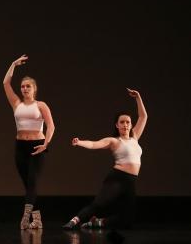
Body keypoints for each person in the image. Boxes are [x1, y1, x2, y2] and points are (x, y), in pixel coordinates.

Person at [63, 89, 147, 230]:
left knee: (129, 217)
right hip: (117, 178)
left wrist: (138, 97)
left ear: (131, 125)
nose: (125, 124)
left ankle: (99, 222)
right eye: (122, 122)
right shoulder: (114, 141)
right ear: (117, 125)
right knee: (98, 204)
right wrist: (80, 142)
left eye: (128, 122)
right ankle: (74, 221)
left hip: (130, 181)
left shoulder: (135, 138)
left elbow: (143, 117)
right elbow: (94, 144)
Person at [3, 55, 56, 229]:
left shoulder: (41, 105)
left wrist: (46, 144)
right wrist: (13, 65)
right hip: (20, 147)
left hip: (37, 146)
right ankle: (38, 221)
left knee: (32, 181)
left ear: (34, 89)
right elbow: (5, 84)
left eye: (28, 86)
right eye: (23, 86)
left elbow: (51, 126)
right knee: (28, 185)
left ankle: (25, 218)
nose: (25, 89)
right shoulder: (16, 103)